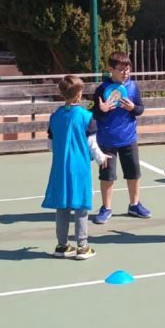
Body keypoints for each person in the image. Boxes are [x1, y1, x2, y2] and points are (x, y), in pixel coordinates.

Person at [43, 75, 110, 260]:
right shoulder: (86, 116)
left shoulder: (55, 117)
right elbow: (92, 144)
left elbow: (50, 144)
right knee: (81, 206)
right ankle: (82, 246)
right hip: (79, 168)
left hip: (60, 168)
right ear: (79, 95)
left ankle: (62, 246)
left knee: (62, 206)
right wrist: (101, 158)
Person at [91, 51, 150, 224]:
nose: (125, 72)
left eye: (128, 68)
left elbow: (140, 109)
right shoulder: (101, 89)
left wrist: (133, 108)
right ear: (111, 69)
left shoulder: (133, 87)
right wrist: (100, 110)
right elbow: (92, 113)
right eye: (121, 69)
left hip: (128, 139)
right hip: (106, 140)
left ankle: (134, 205)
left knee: (133, 174)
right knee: (107, 176)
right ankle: (106, 208)